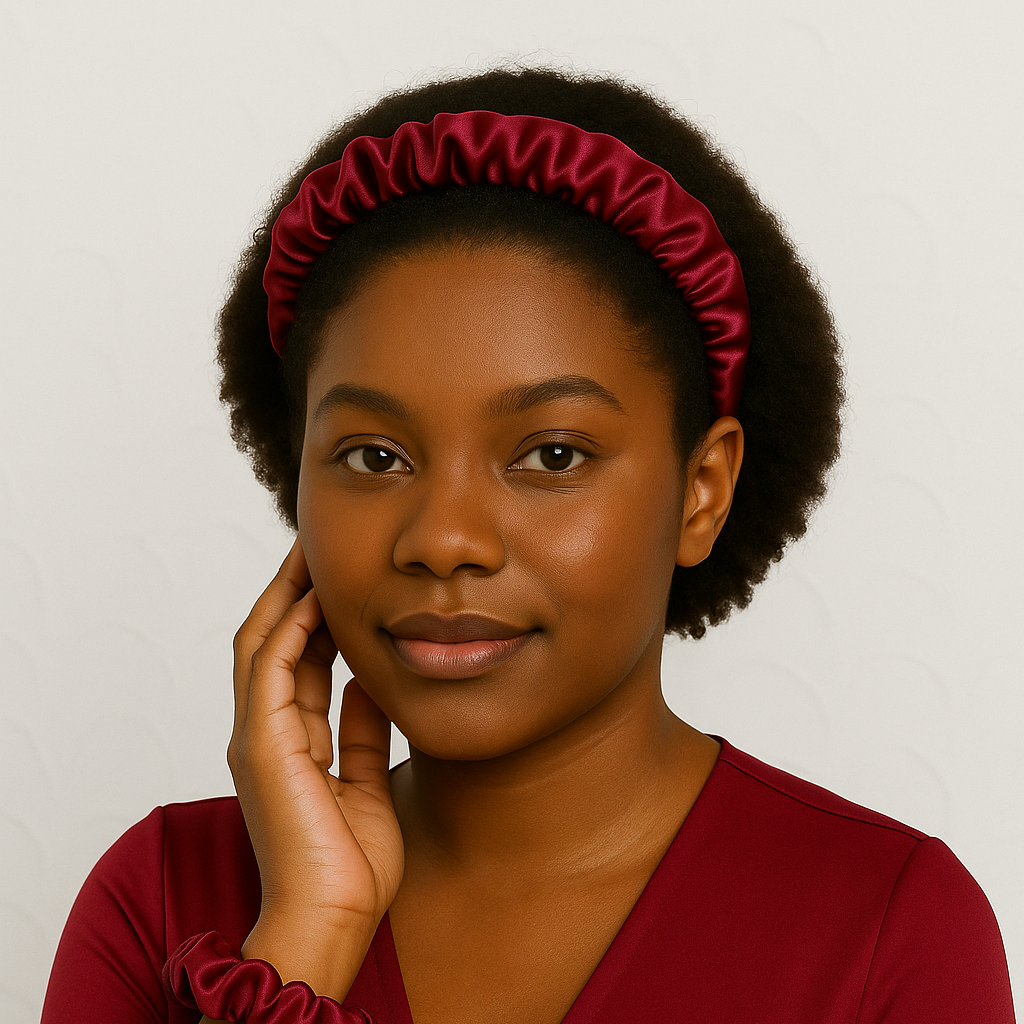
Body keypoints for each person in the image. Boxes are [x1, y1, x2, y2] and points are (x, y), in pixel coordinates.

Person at [41, 66, 1015, 1023]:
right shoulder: (161, 902)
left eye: (551, 453)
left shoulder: (889, 925)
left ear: (700, 492)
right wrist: (305, 944)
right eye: (374, 455)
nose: (443, 539)